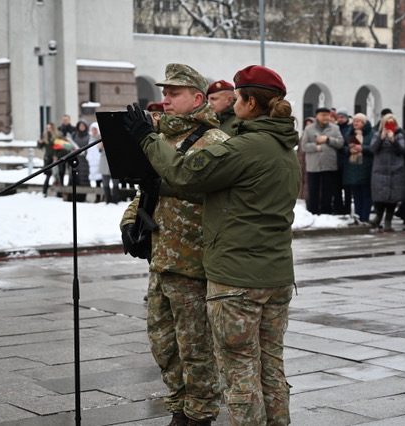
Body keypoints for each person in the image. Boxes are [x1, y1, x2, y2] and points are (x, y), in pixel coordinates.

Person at [123, 64, 300, 426]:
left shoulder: (242, 146)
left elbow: (187, 175)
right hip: (274, 272)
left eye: (237, 96)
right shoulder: (283, 147)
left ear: (251, 102)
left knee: (240, 374)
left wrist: (146, 138)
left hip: (236, 276)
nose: (232, 102)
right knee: (270, 368)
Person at [121, 64, 229, 426]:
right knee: (163, 343)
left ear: (197, 99)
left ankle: (199, 415)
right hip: (162, 259)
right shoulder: (161, 140)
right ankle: (180, 406)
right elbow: (145, 189)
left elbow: (199, 187)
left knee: (196, 348)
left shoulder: (213, 142)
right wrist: (129, 222)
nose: (165, 99)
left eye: (174, 93)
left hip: (193, 263)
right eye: (164, 92)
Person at [300, 107, 344, 215]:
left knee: (327, 190)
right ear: (317, 116)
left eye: (327, 115)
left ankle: (326, 212)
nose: (325, 117)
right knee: (313, 190)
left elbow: (340, 143)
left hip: (329, 164)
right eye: (323, 115)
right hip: (314, 165)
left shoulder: (335, 128)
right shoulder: (309, 129)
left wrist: (328, 140)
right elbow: (304, 146)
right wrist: (316, 147)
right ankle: (312, 212)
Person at [370, 113, 405, 232]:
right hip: (380, 169)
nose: (390, 126)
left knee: (393, 197)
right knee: (379, 196)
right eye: (387, 123)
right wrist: (381, 138)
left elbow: (402, 150)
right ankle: (378, 217)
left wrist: (393, 140)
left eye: (392, 123)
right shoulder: (377, 134)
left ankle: (388, 221)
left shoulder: (399, 135)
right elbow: (373, 149)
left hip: (396, 169)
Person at [342, 113, 373, 222]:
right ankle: (358, 216)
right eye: (354, 121)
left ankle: (365, 217)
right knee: (356, 195)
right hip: (352, 168)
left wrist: (362, 148)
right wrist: (349, 150)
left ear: (364, 123)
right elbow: (343, 148)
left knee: (366, 194)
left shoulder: (370, 134)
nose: (356, 123)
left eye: (359, 121)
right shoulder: (349, 133)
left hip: (366, 167)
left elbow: (373, 148)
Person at [37, 122, 59, 197]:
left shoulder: (56, 136)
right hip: (47, 158)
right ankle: (44, 191)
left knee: (57, 175)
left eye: (49, 128)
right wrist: (39, 142)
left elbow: (58, 147)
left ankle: (59, 192)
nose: (48, 129)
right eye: (47, 128)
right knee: (48, 175)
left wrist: (56, 155)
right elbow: (40, 147)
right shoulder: (44, 136)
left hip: (55, 157)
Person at [85, 122, 103, 203]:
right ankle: (98, 196)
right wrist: (88, 158)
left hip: (99, 163)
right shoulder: (90, 139)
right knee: (96, 181)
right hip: (92, 164)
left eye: (95, 130)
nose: (94, 131)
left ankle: (101, 196)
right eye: (93, 130)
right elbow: (89, 151)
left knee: (101, 180)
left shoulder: (100, 138)